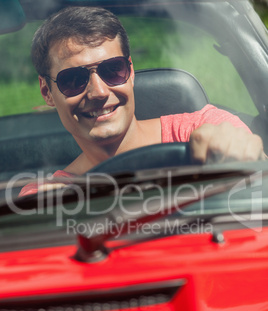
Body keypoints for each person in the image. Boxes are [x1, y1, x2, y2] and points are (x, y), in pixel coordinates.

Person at [20, 6, 265, 196]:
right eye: (73, 79)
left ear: (131, 72)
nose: (99, 92)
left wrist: (246, 157)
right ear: (47, 92)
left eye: (113, 70)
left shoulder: (205, 129)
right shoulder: (44, 196)